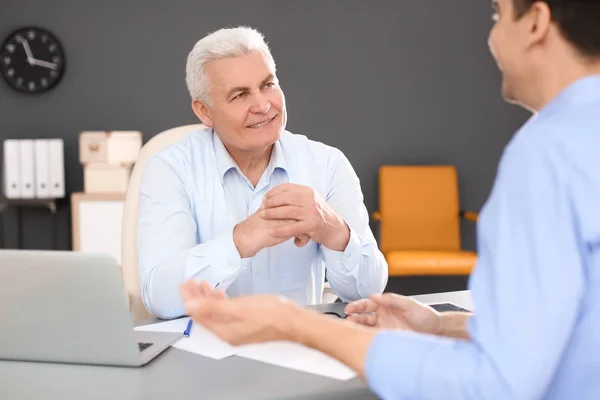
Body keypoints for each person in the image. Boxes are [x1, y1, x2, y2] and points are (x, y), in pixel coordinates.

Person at [179, 0, 600, 398]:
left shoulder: (547, 154)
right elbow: (570, 330)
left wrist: (294, 324)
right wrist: (441, 324)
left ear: (535, 22)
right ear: (204, 110)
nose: (491, 40)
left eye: (497, 15)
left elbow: (493, 385)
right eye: (238, 95)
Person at [137, 26, 388, 319]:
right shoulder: (170, 169)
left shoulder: (327, 163)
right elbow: (160, 297)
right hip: (205, 350)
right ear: (204, 111)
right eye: (240, 95)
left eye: (268, 85)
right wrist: (240, 241)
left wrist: (334, 231)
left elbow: (368, 292)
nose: (262, 105)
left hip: (300, 347)